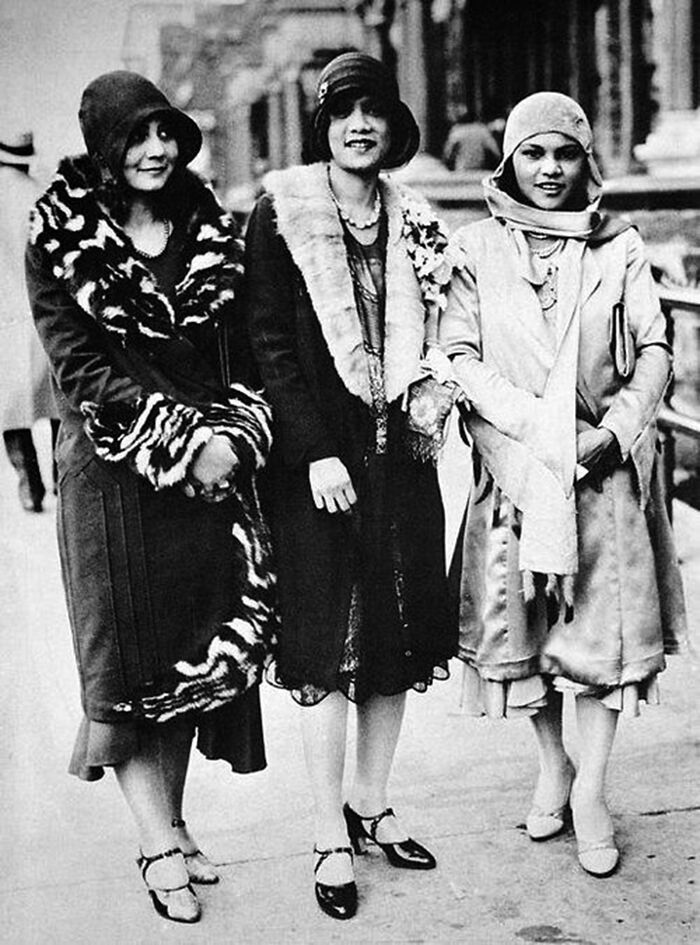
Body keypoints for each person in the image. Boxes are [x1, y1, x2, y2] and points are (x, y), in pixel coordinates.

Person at [26, 71, 276, 924]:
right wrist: (182, 439)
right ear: (105, 147)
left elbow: (241, 352)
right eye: (137, 137)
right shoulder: (58, 240)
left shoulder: (212, 228)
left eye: (165, 133)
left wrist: (232, 437)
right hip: (110, 477)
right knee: (125, 663)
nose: (156, 149)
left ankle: (170, 821)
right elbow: (79, 366)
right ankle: (157, 842)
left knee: (190, 658)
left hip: (207, 477)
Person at [440, 92, 686, 878]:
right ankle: (554, 765)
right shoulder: (474, 248)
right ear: (510, 160)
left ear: (586, 162)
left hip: (601, 470)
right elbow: (458, 355)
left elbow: (654, 346)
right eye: (535, 154)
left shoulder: (618, 245)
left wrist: (611, 432)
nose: (550, 171)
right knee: (524, 634)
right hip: (517, 469)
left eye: (565, 154)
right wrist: (532, 436)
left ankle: (594, 791)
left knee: (597, 641)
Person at [245, 52, 457, 920]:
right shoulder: (283, 212)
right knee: (327, 646)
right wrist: (310, 452)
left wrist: (437, 385)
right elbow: (268, 346)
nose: (359, 126)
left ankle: (371, 802)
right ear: (323, 126)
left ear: (392, 124)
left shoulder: (415, 217)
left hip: (399, 463)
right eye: (343, 113)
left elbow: (450, 326)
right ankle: (329, 828)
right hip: (320, 470)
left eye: (373, 111)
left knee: (397, 635)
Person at [0, 130, 57, 511]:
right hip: (43, 308)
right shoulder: (41, 193)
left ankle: (29, 483)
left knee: (11, 403)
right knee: (54, 397)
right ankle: (60, 475)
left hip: (4, 312)